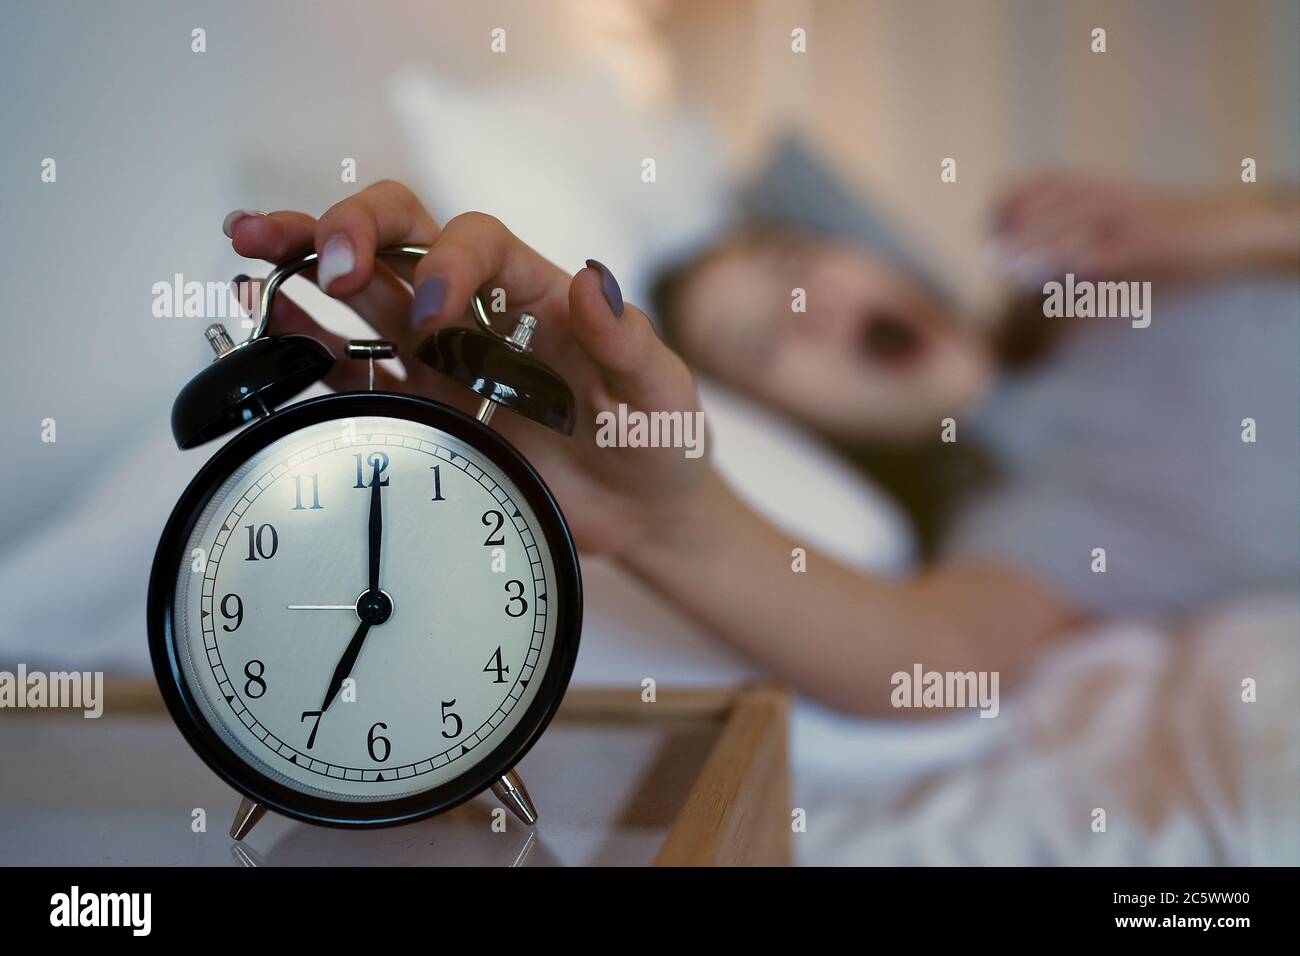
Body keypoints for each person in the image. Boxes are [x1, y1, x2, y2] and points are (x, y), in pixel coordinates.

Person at [223, 164, 1299, 717]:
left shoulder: (1109, 274)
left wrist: (1227, 222)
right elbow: (931, 659)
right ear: (800, 429)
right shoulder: (1032, 518)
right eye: (764, 342)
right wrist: (662, 522)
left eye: (796, 265)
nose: (810, 307)